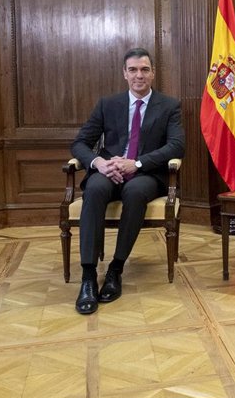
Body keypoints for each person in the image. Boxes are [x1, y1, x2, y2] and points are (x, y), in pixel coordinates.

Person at [71, 48, 186, 315]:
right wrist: (99, 163)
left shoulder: (169, 106)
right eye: (133, 69)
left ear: (153, 73)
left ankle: (115, 269)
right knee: (96, 188)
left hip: (146, 175)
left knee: (135, 191)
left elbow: (177, 146)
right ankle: (88, 276)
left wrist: (136, 163)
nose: (139, 75)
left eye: (145, 69)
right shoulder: (107, 104)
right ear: (125, 73)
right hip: (109, 171)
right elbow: (79, 143)